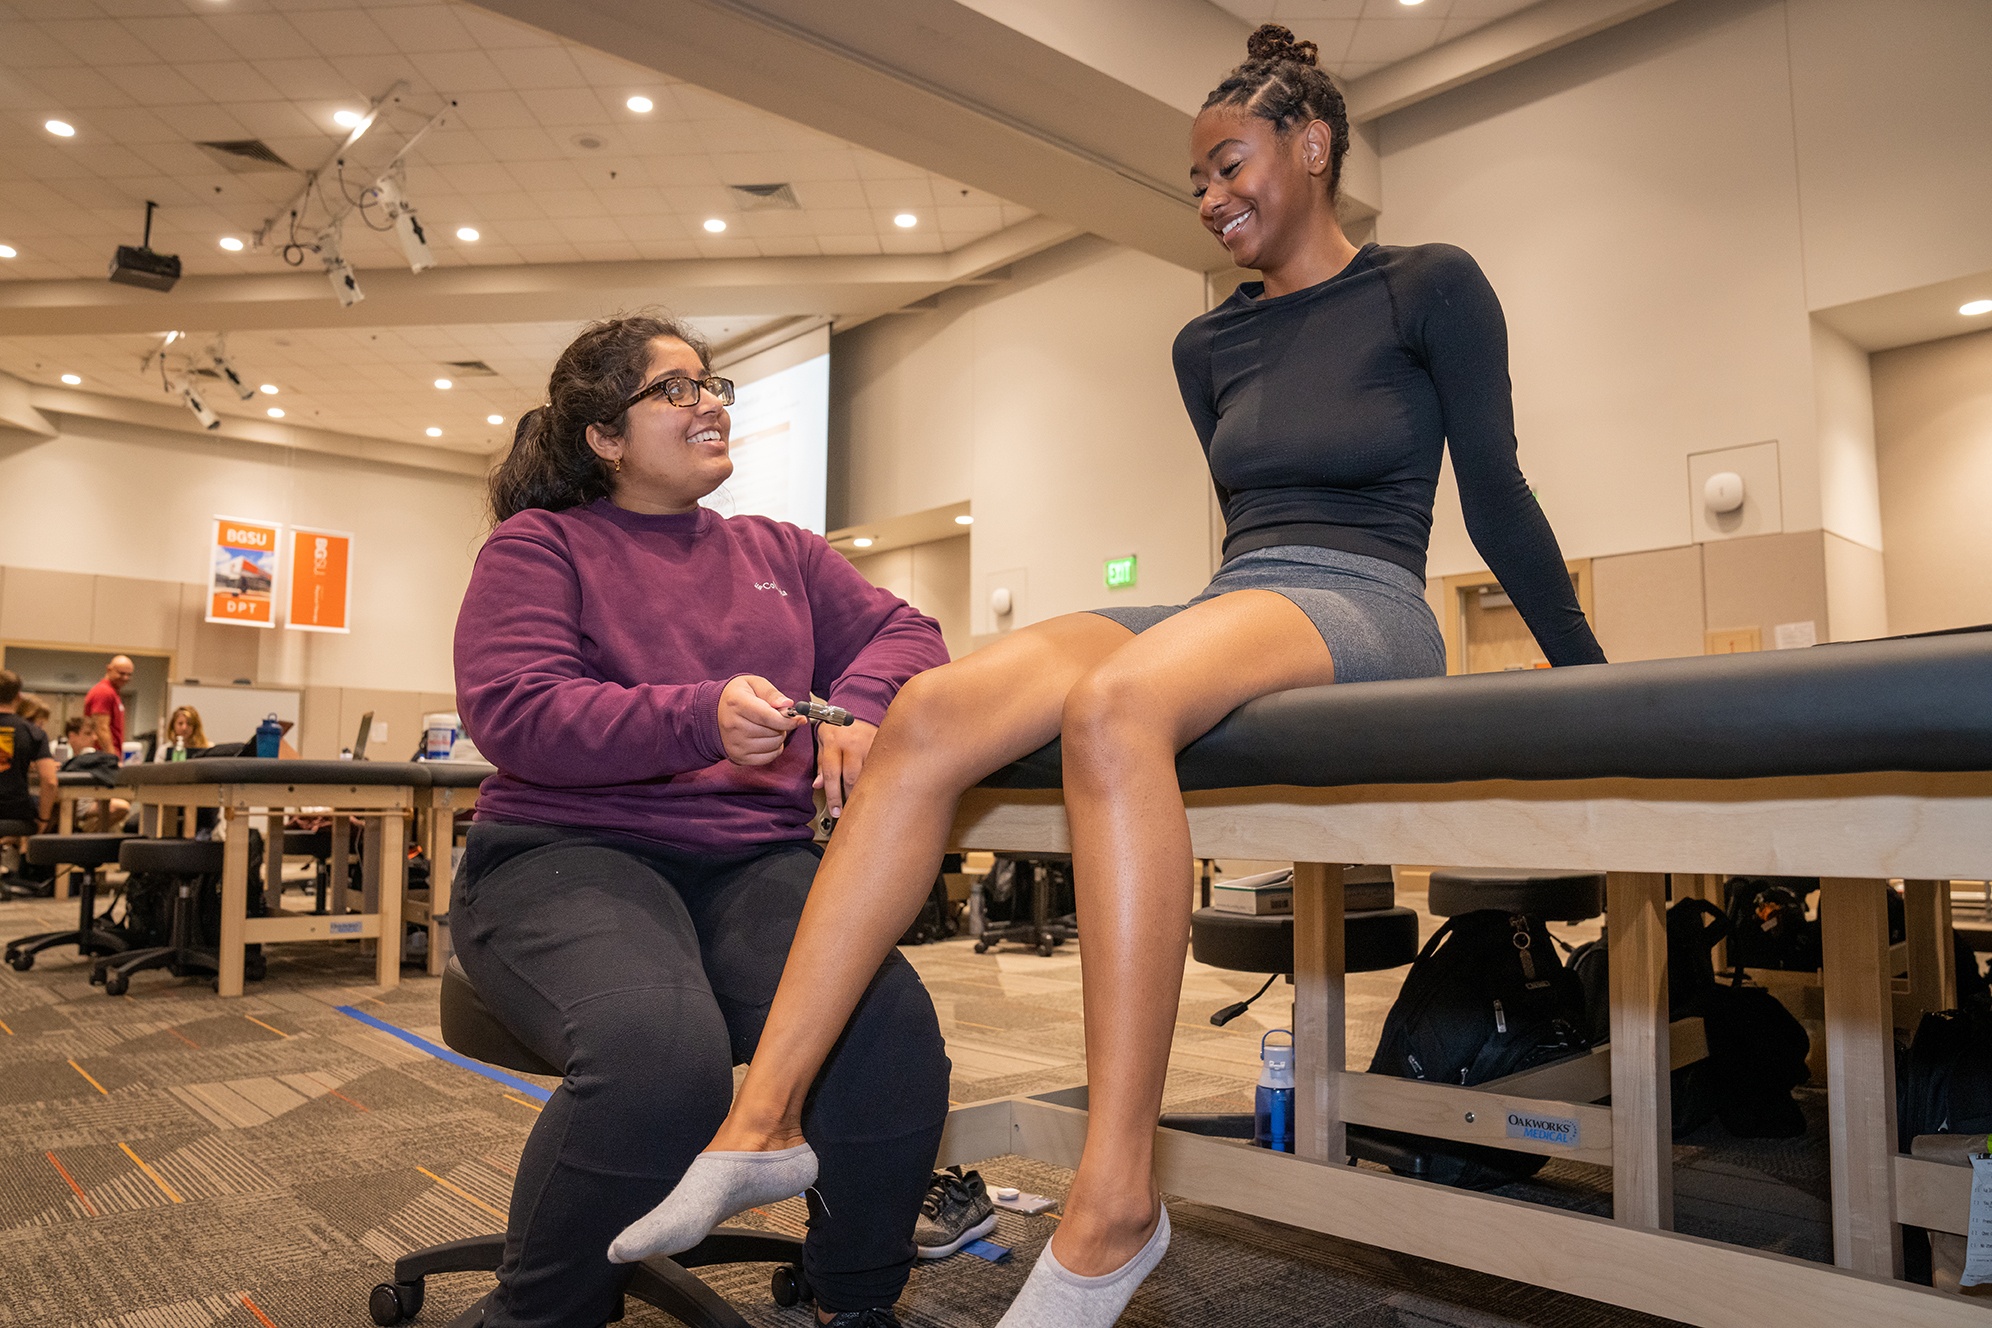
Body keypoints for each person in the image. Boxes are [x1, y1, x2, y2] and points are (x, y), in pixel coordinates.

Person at [614, 24, 1608, 1327]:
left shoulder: (1429, 285)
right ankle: (763, 1122)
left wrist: (1587, 686)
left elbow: (1499, 496)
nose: (1209, 198)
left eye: (1229, 164)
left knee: (1118, 701)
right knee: (935, 708)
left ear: (1314, 145)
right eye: (1194, 179)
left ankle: (1118, 1197)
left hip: (1363, 597)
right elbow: (1237, 543)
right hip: (1241, 594)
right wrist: (1205, 626)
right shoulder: (1210, 345)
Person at [450, 314, 953, 1328]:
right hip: (562, 854)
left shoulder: (781, 552)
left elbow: (911, 631)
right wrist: (697, 713)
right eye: (675, 390)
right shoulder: (539, 546)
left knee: (889, 1031)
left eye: (713, 383)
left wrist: (854, 706)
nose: (711, 402)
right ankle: (536, 1313)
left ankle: (851, 1300)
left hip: (747, 859)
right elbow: (516, 708)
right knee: (658, 1054)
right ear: (603, 435)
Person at [0, 669, 55, 834]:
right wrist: (43, 820)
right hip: (15, 812)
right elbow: (50, 780)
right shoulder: (33, 732)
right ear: (18, 697)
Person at [83, 654, 133, 758]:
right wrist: (112, 758)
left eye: (129, 675)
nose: (125, 678)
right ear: (109, 669)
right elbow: (101, 728)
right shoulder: (104, 692)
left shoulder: (113, 693)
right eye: (122, 673)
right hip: (102, 758)